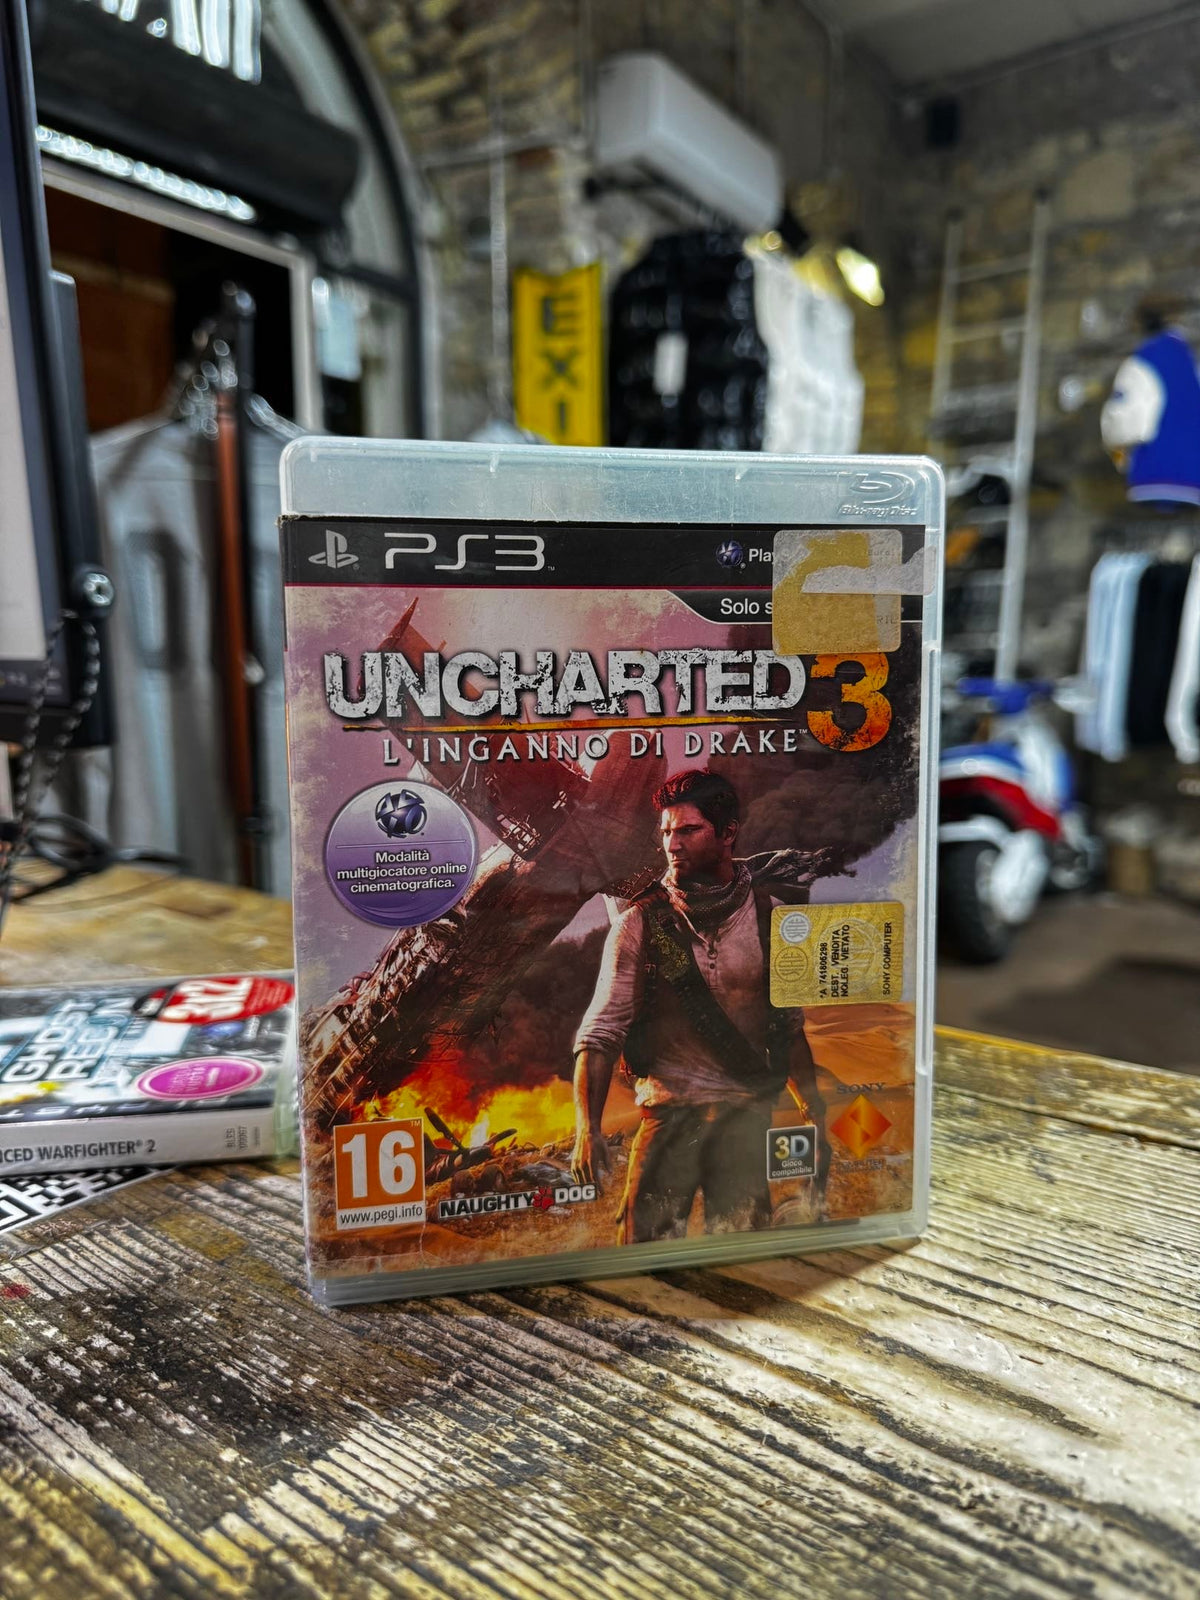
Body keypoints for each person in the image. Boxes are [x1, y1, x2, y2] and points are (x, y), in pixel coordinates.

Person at [570, 768, 824, 1242]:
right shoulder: (639, 923)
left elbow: (789, 1028)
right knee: (641, 1257)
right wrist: (588, 1130)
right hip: (667, 1122)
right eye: (667, 831)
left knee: (744, 1257)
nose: (672, 844)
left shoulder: (771, 918)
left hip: (744, 1122)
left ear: (728, 833)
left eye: (688, 830)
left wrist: (815, 1116)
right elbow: (600, 1034)